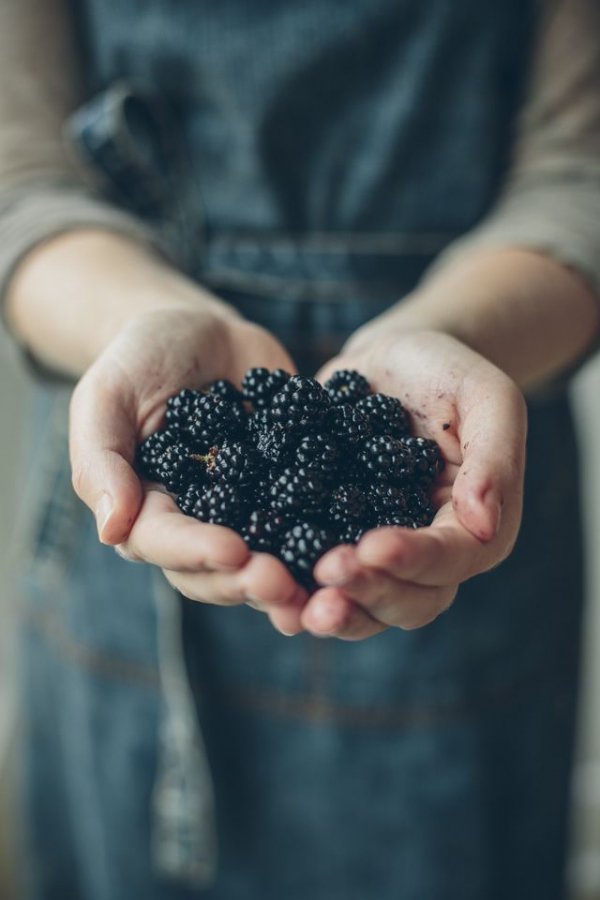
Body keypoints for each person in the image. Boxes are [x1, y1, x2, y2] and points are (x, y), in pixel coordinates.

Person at [1, 0, 599, 897]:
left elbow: (580, 172)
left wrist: (450, 328)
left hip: (461, 523)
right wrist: (141, 321)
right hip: (122, 565)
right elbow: (20, 170)